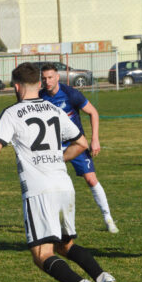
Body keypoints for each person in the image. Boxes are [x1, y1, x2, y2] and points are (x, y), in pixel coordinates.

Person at [0, 62, 117, 282]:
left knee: (41, 254)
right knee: (64, 245)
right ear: (39, 85)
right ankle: (103, 277)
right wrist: (58, 158)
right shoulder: (54, 110)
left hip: (39, 190)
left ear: (16, 87)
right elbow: (82, 142)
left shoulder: (12, 113)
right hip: (64, 185)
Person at [39, 64, 119, 234]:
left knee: (91, 179)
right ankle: (52, 223)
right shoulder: (40, 97)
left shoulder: (70, 94)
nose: (47, 81)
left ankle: (108, 218)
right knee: (50, 184)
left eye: (50, 77)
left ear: (57, 77)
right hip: (54, 147)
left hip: (76, 143)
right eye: (44, 78)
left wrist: (95, 139)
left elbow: (93, 112)